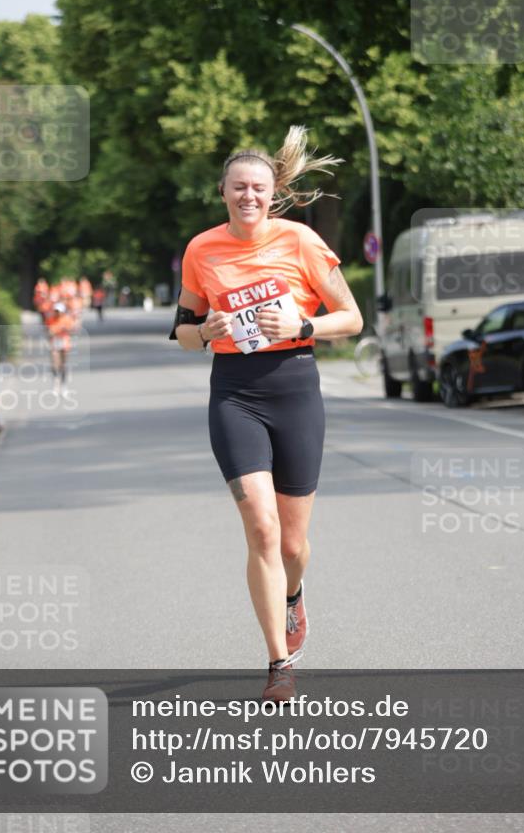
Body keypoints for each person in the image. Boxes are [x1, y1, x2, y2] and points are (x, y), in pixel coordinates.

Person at [171, 125, 363, 701]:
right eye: (238, 187)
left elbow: (352, 318)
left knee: (291, 546)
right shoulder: (202, 250)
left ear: (272, 192)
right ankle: (279, 663)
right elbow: (181, 333)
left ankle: (293, 595)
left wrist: (303, 324)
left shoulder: (301, 241)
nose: (248, 195)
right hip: (234, 393)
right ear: (223, 192)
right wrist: (205, 331)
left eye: (257, 187)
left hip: (295, 389)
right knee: (261, 527)